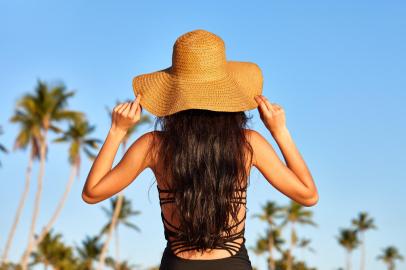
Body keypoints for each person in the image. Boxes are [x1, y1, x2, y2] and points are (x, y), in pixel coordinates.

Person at [82, 29, 318, 270]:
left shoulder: (154, 145)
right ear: (227, 93)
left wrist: (117, 131)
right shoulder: (248, 144)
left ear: (172, 94)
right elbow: (308, 195)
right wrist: (280, 132)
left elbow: (92, 193)